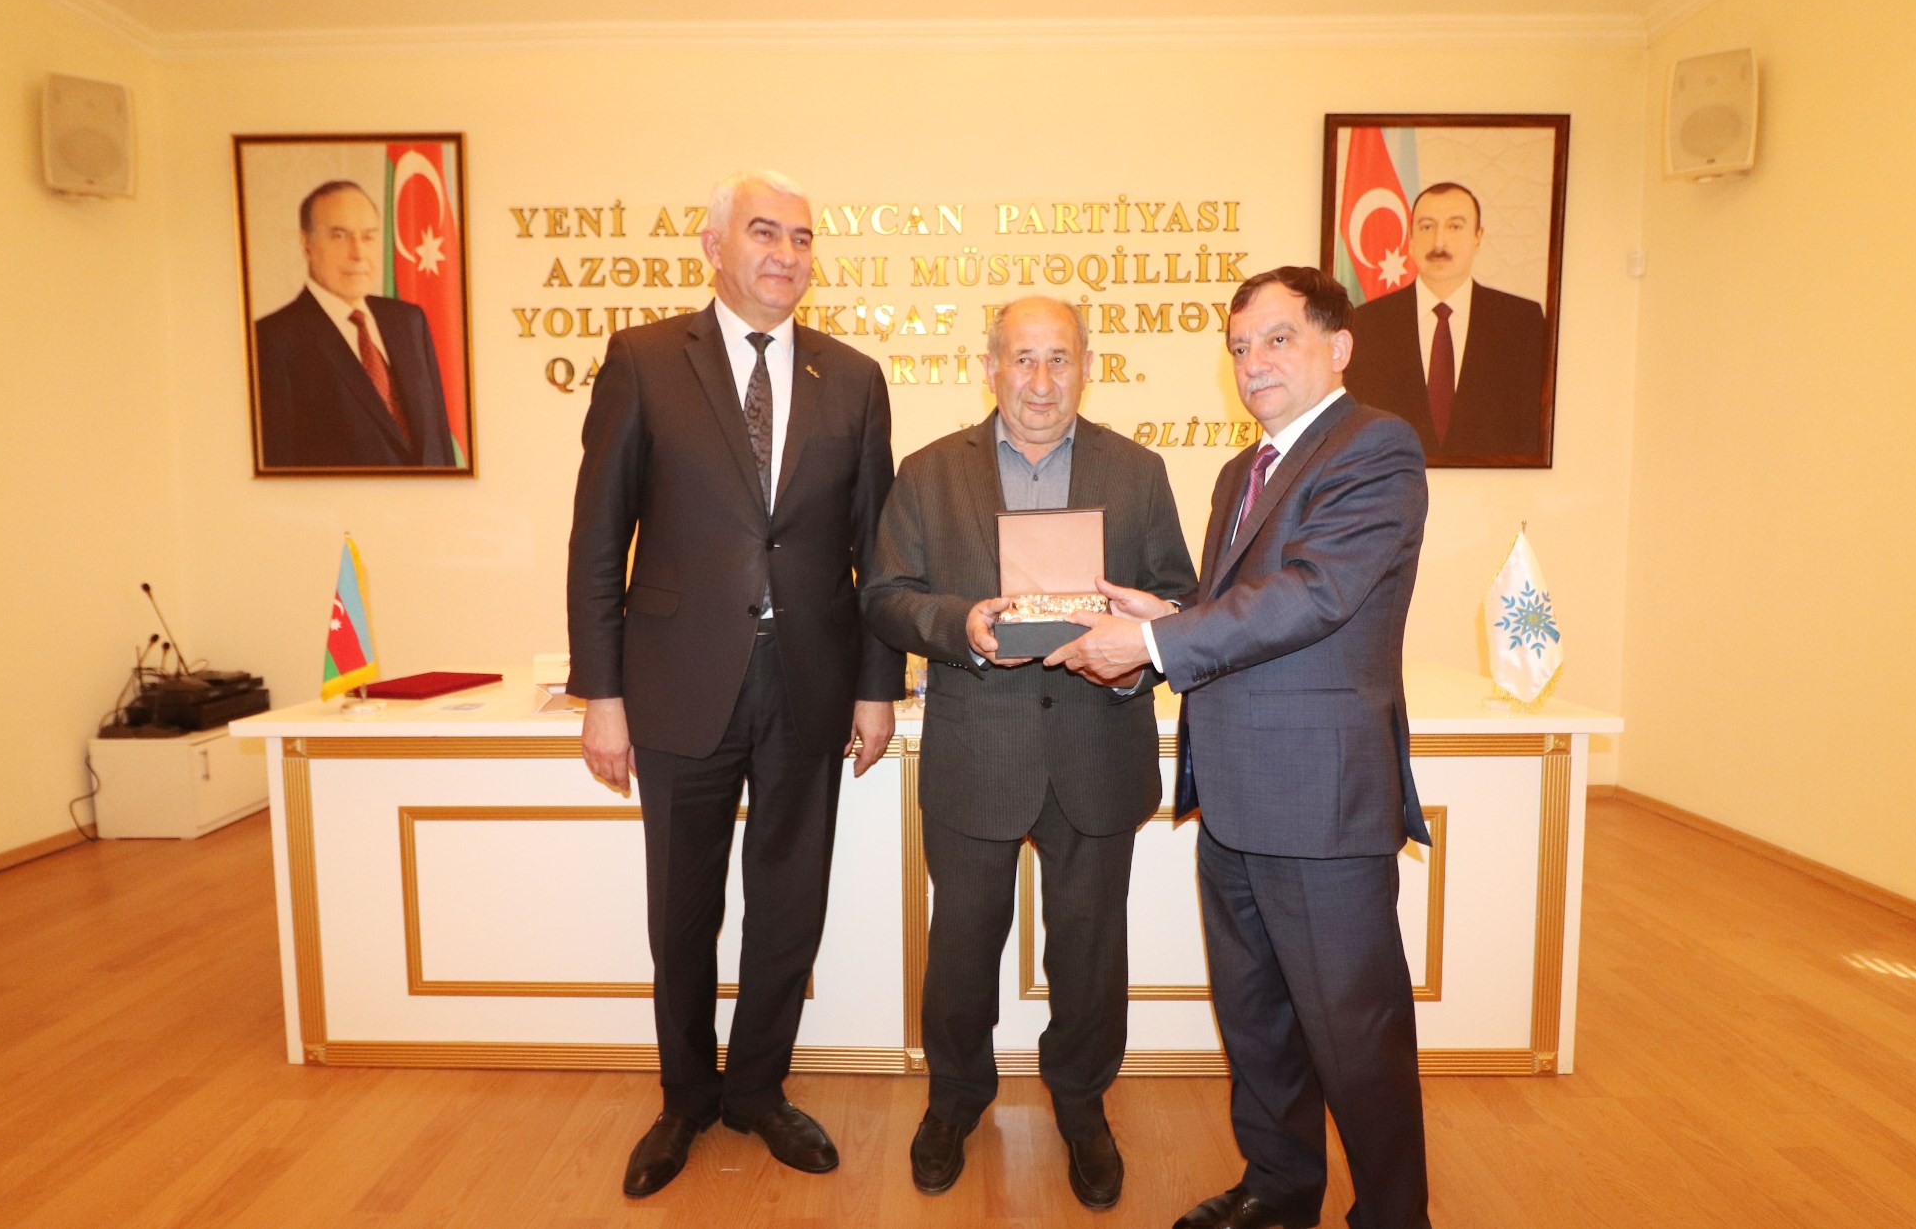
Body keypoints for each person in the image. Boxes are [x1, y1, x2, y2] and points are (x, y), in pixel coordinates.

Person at [1046, 267, 1433, 1229]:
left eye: (1276, 339)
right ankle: (1278, 1189)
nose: (1252, 362)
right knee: (1257, 1022)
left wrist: (1151, 644)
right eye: (1238, 346)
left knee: (1356, 1039)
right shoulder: (1240, 472)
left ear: (1338, 347)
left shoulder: (1374, 446)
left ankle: (1394, 1215)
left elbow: (1314, 594)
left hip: (1319, 805)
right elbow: (1240, 616)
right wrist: (1166, 616)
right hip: (1230, 798)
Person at [564, 168, 902, 1198]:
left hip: (810, 681)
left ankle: (757, 1088)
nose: (785, 254)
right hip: (676, 684)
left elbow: (876, 552)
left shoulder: (853, 378)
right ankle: (684, 1098)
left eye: (801, 238)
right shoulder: (643, 361)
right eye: (764, 232)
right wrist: (602, 694)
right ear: (714, 247)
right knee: (682, 908)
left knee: (789, 902)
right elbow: (599, 539)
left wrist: (877, 687)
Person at [861, 297, 1196, 1209]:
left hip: (1099, 739)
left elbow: (1178, 600)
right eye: (1022, 359)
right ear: (989, 368)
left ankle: (1081, 1104)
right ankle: (953, 1100)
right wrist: (957, 624)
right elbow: (885, 595)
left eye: (1059, 359)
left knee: (1089, 949)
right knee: (962, 947)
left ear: (1087, 366)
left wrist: (1133, 652)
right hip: (979, 747)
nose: (1040, 382)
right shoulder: (930, 473)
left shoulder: (1137, 472)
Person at [254, 180, 457, 469]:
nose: (358, 253)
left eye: (368, 237)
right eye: (339, 236)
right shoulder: (272, 341)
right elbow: (280, 471)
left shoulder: (409, 321)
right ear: (306, 243)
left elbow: (440, 444)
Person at [1343, 181, 1547, 465]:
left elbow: (1528, 428)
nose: (1439, 243)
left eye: (1455, 226)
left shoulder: (1521, 321)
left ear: (1478, 237)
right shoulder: (1366, 323)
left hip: (1497, 487)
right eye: (1427, 227)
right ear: (1410, 238)